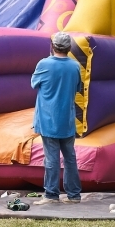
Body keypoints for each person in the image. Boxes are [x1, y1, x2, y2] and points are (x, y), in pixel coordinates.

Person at [31, 32, 83, 205]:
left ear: (52, 46)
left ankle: (51, 194)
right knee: (70, 157)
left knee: (51, 158)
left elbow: (34, 84)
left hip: (48, 120)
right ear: (69, 48)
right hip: (67, 120)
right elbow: (77, 87)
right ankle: (74, 195)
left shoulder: (44, 64)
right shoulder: (74, 66)